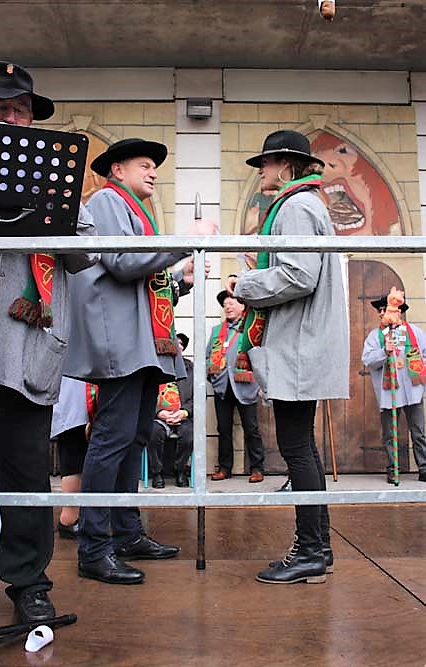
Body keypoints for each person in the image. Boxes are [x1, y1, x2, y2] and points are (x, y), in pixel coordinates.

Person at [64, 137, 213, 585]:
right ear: (117, 170)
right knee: (112, 439)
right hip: (122, 343)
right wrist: (184, 243)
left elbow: (146, 282)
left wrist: (180, 278)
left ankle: (127, 534)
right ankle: (94, 547)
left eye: (154, 167)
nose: (153, 173)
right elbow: (123, 262)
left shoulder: (133, 209)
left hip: (140, 344)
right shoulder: (108, 201)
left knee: (134, 439)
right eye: (144, 165)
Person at [0, 60, 98, 621]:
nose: (11, 119)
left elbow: (88, 251)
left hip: (22, 341)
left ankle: (28, 583)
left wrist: (47, 215)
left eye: (20, 111)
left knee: (26, 462)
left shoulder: (55, 177)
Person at [229, 129, 349, 584]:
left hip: (299, 345)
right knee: (304, 448)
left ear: (284, 165)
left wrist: (246, 284)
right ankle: (319, 547)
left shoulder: (296, 206)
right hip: (302, 342)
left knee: (297, 448)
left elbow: (299, 274)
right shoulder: (306, 204)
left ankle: (310, 551)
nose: (261, 170)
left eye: (265, 162)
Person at [361, 295, 426, 484]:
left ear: (399, 312)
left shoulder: (415, 333)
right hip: (389, 391)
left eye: (385, 309)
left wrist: (420, 370)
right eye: (380, 310)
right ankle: (393, 468)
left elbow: (424, 354)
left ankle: (424, 467)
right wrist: (384, 351)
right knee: (390, 434)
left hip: (412, 390)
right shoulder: (376, 336)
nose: (381, 313)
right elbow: (368, 360)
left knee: (418, 431)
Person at [207, 288, 265, 483]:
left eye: (231, 303)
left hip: (245, 387)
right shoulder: (217, 331)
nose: (228, 307)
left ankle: (257, 468)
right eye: (225, 305)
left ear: (243, 306)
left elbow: (260, 355)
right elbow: (208, 356)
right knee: (223, 430)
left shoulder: (251, 330)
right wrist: (213, 376)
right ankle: (225, 468)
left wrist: (259, 382)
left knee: (251, 429)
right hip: (222, 388)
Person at [148, 333, 194, 489]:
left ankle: (180, 470)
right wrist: (159, 412)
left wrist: (184, 412)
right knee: (153, 433)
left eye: (180, 344)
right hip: (159, 416)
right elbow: (145, 395)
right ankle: (157, 473)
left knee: (188, 435)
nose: (177, 346)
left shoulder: (191, 369)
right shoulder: (154, 367)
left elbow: (197, 397)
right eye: (175, 343)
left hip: (182, 415)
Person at [50, 377, 91, 538]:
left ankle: (73, 517)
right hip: (74, 397)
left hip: (82, 393)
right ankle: (69, 518)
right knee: (74, 455)